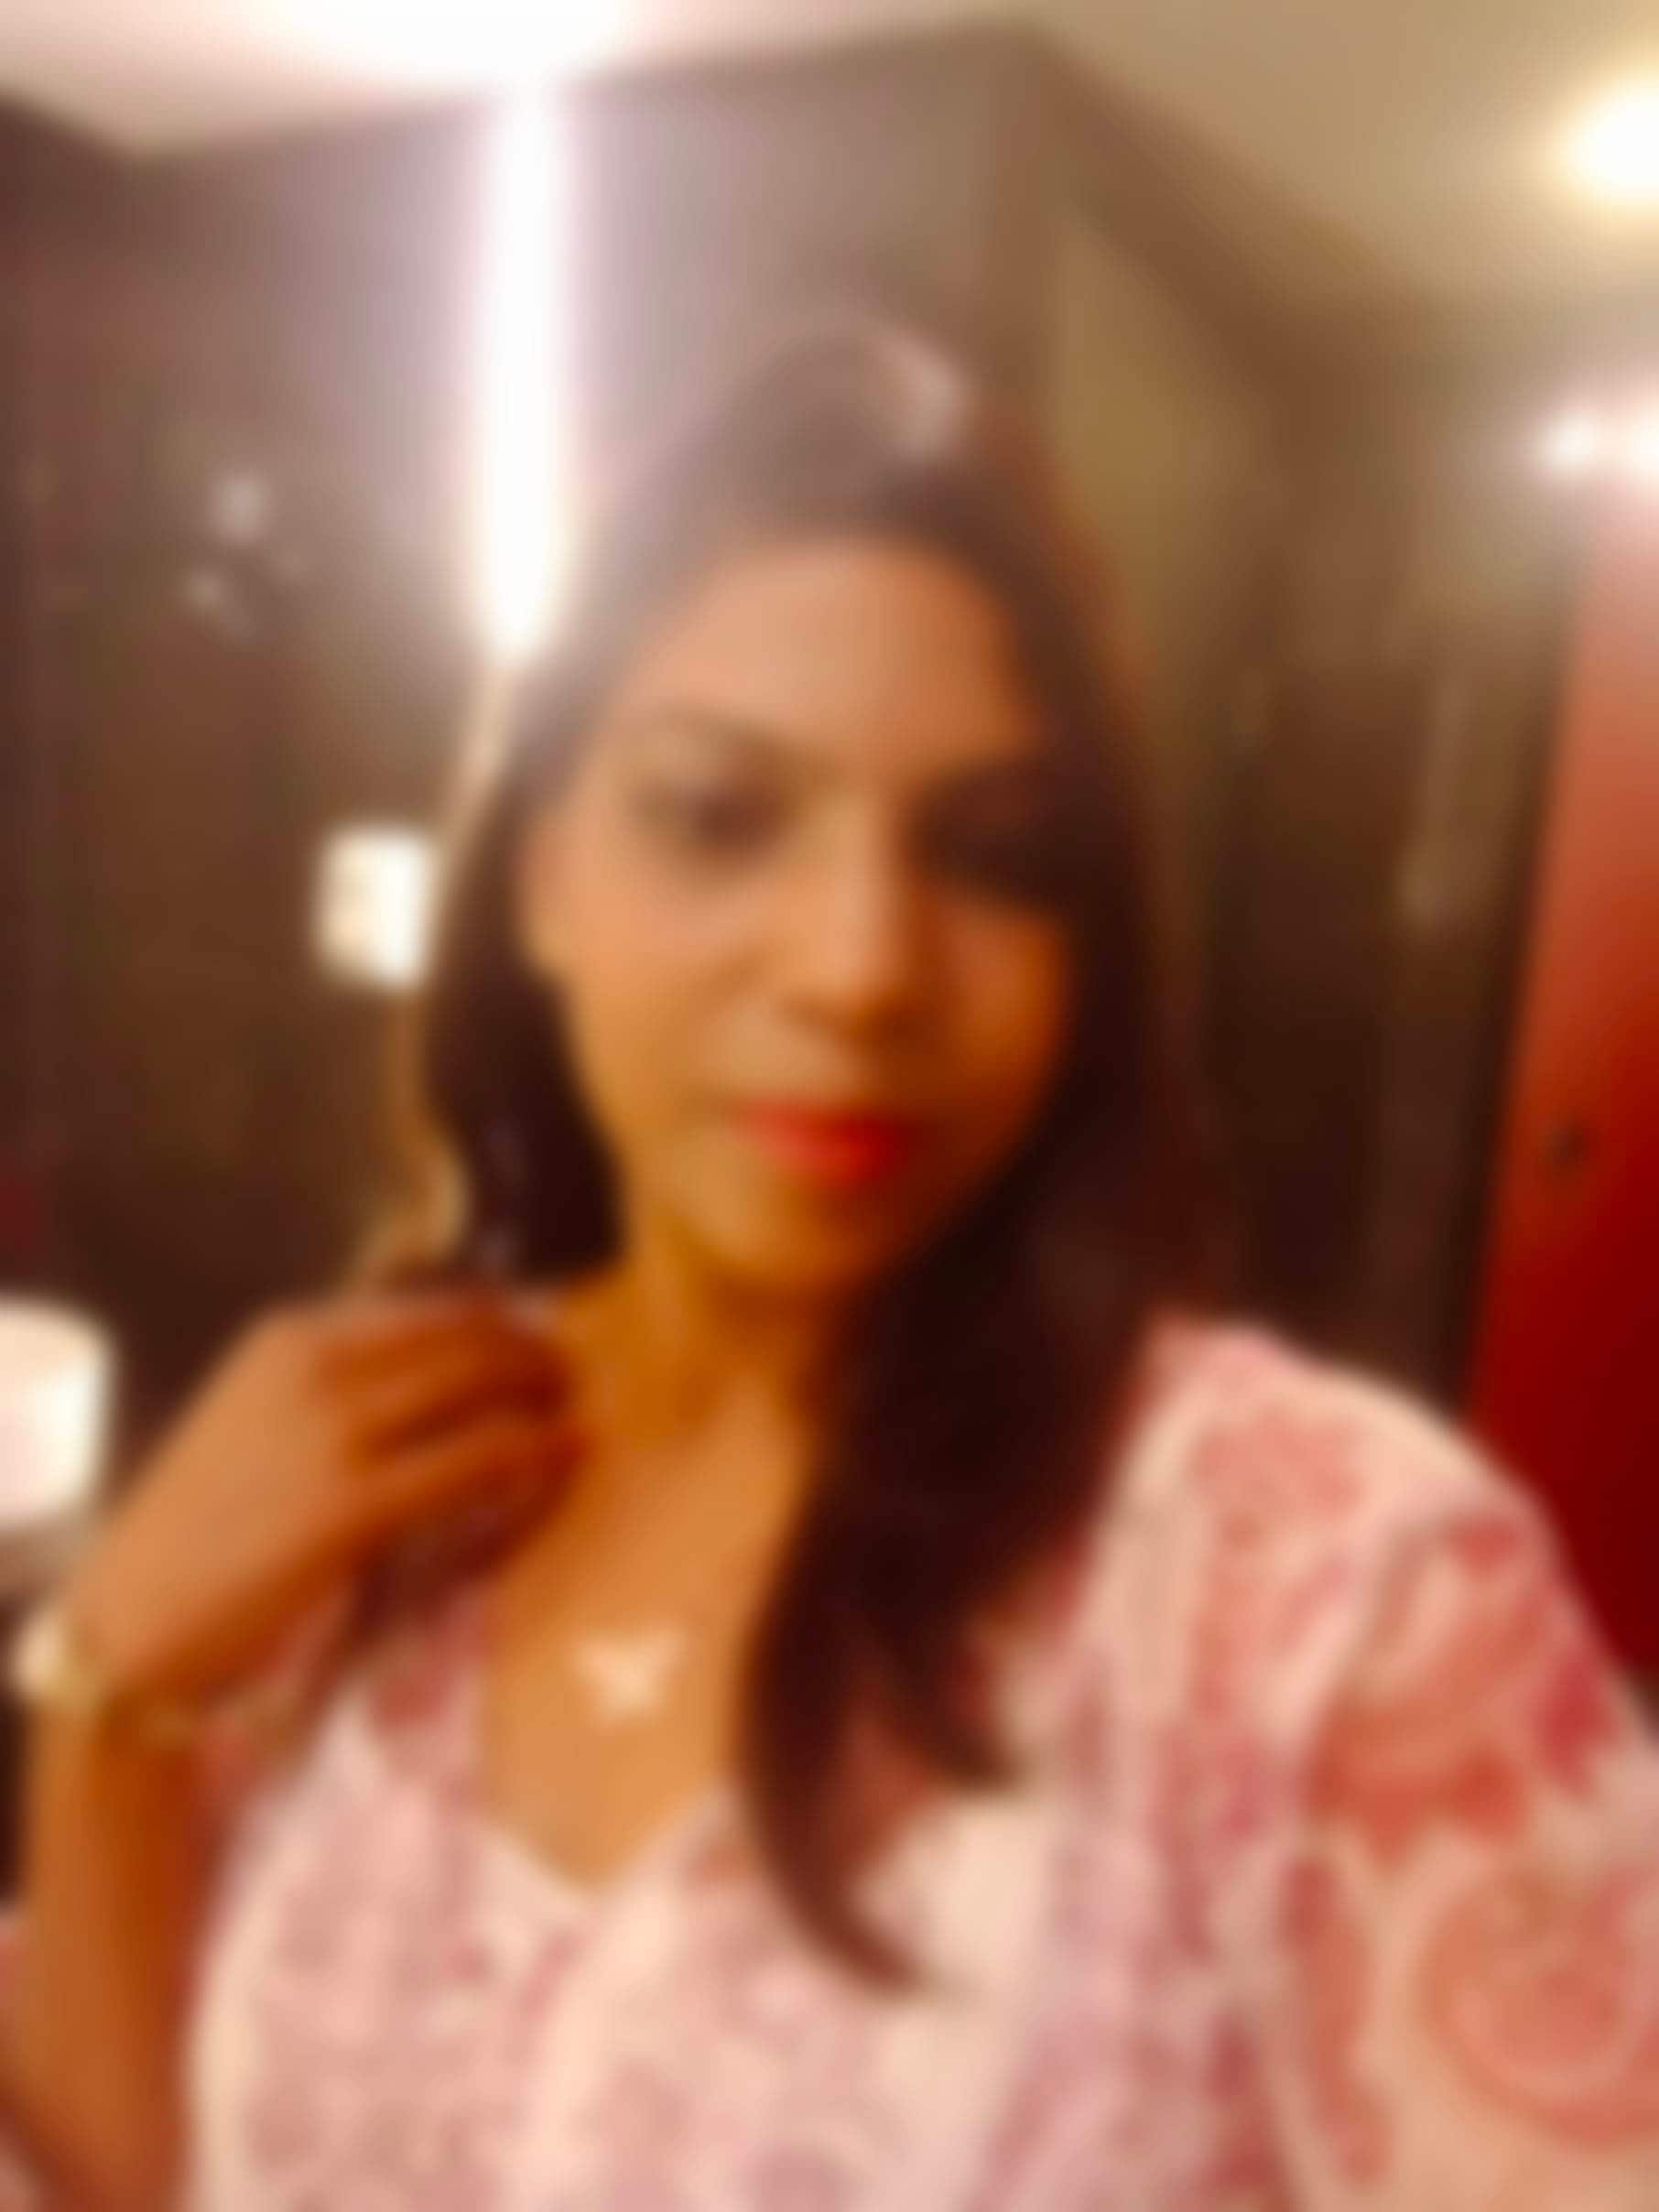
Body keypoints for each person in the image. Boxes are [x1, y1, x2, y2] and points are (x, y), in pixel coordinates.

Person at [1, 319, 1654, 2212]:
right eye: (719, 815)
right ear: (541, 877)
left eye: (995, 853)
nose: (863, 967)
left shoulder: (1327, 1594)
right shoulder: (363, 1479)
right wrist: (109, 1697)